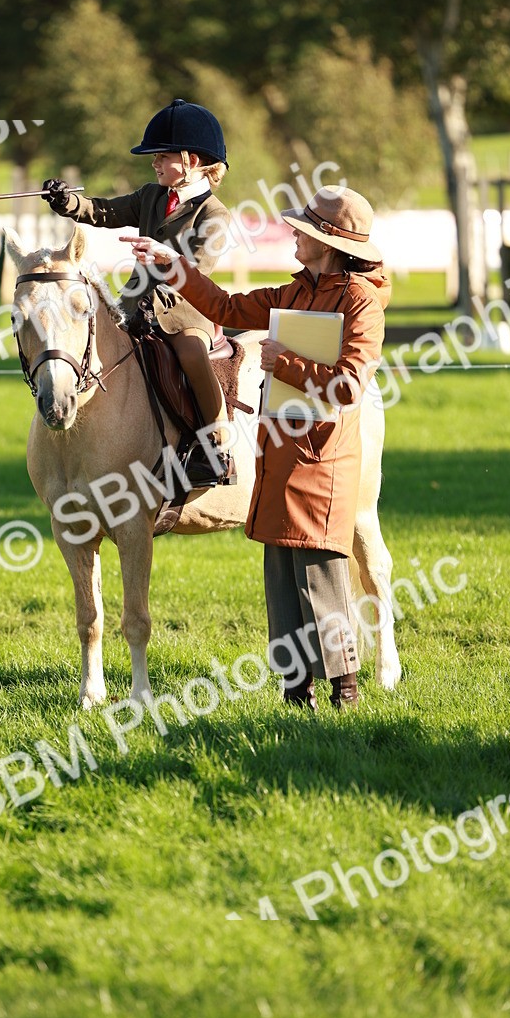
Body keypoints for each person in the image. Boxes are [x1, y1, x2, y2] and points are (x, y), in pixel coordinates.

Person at [123, 185, 389, 710]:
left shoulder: (360, 302)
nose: (293, 232)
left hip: (323, 456)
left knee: (322, 576)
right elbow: (223, 304)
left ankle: (346, 693)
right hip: (277, 454)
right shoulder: (293, 291)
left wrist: (282, 362)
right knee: (281, 581)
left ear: (330, 243)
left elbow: (349, 386)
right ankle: (297, 694)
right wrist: (172, 263)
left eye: (305, 230)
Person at [41, 98, 233, 485]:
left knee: (192, 355)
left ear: (192, 160)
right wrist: (68, 203)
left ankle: (217, 443)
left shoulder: (213, 215)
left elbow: (195, 273)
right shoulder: (150, 195)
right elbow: (106, 212)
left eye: (162, 156)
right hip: (132, 308)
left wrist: (156, 300)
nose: (154, 163)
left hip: (183, 314)